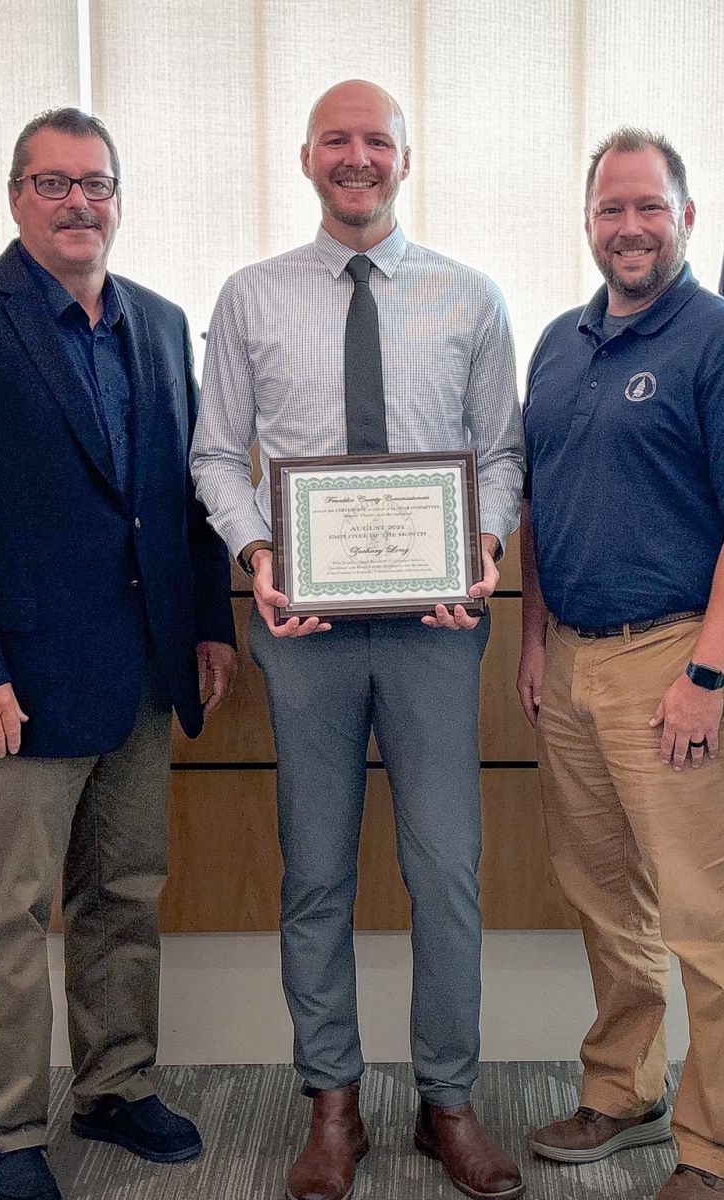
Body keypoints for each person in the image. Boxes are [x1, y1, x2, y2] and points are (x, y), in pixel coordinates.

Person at [0, 108, 237, 1200]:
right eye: (53, 183)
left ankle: (116, 1084)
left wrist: (209, 622)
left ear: (118, 198)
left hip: (141, 669)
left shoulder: (165, 324)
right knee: (13, 911)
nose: (79, 202)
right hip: (17, 683)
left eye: (97, 183)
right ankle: (5, 1128)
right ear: (15, 196)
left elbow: (183, 495)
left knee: (125, 888)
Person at [189, 79, 525, 1200]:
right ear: (305, 158)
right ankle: (331, 1105)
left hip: (436, 634)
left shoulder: (470, 299)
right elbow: (214, 456)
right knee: (316, 874)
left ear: (404, 159)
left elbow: (501, 456)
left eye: (374, 140)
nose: (356, 157)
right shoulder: (250, 298)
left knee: (447, 872)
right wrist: (256, 558)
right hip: (304, 632)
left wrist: (480, 546)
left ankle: (446, 1103)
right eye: (337, 139)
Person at [516, 128, 724, 1200]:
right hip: (575, 665)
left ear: (686, 217)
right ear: (586, 220)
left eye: (649, 207)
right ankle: (623, 1088)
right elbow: (541, 506)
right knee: (604, 898)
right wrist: (536, 640)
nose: (628, 227)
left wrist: (707, 675)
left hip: (683, 660)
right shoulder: (558, 341)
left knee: (707, 917)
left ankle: (718, 1146)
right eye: (609, 209)